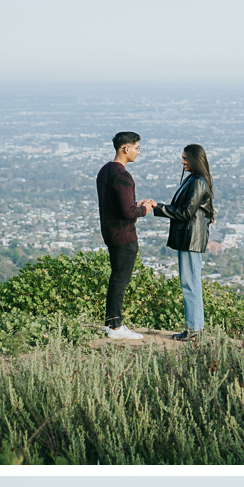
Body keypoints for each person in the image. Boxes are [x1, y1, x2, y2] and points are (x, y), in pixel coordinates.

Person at [96, 131, 157, 340]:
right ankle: (115, 327)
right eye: (137, 148)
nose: (138, 152)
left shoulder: (105, 171)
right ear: (126, 148)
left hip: (110, 233)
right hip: (124, 236)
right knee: (120, 280)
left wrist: (134, 205)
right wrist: (144, 209)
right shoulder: (122, 175)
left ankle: (111, 324)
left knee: (116, 278)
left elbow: (117, 205)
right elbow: (128, 212)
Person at [152, 144, 214, 341]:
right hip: (189, 239)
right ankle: (195, 326)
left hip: (191, 240)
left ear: (195, 159)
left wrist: (158, 208)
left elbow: (186, 213)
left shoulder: (198, 182)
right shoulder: (194, 180)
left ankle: (193, 328)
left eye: (185, 159)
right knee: (191, 282)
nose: (182, 162)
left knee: (190, 283)